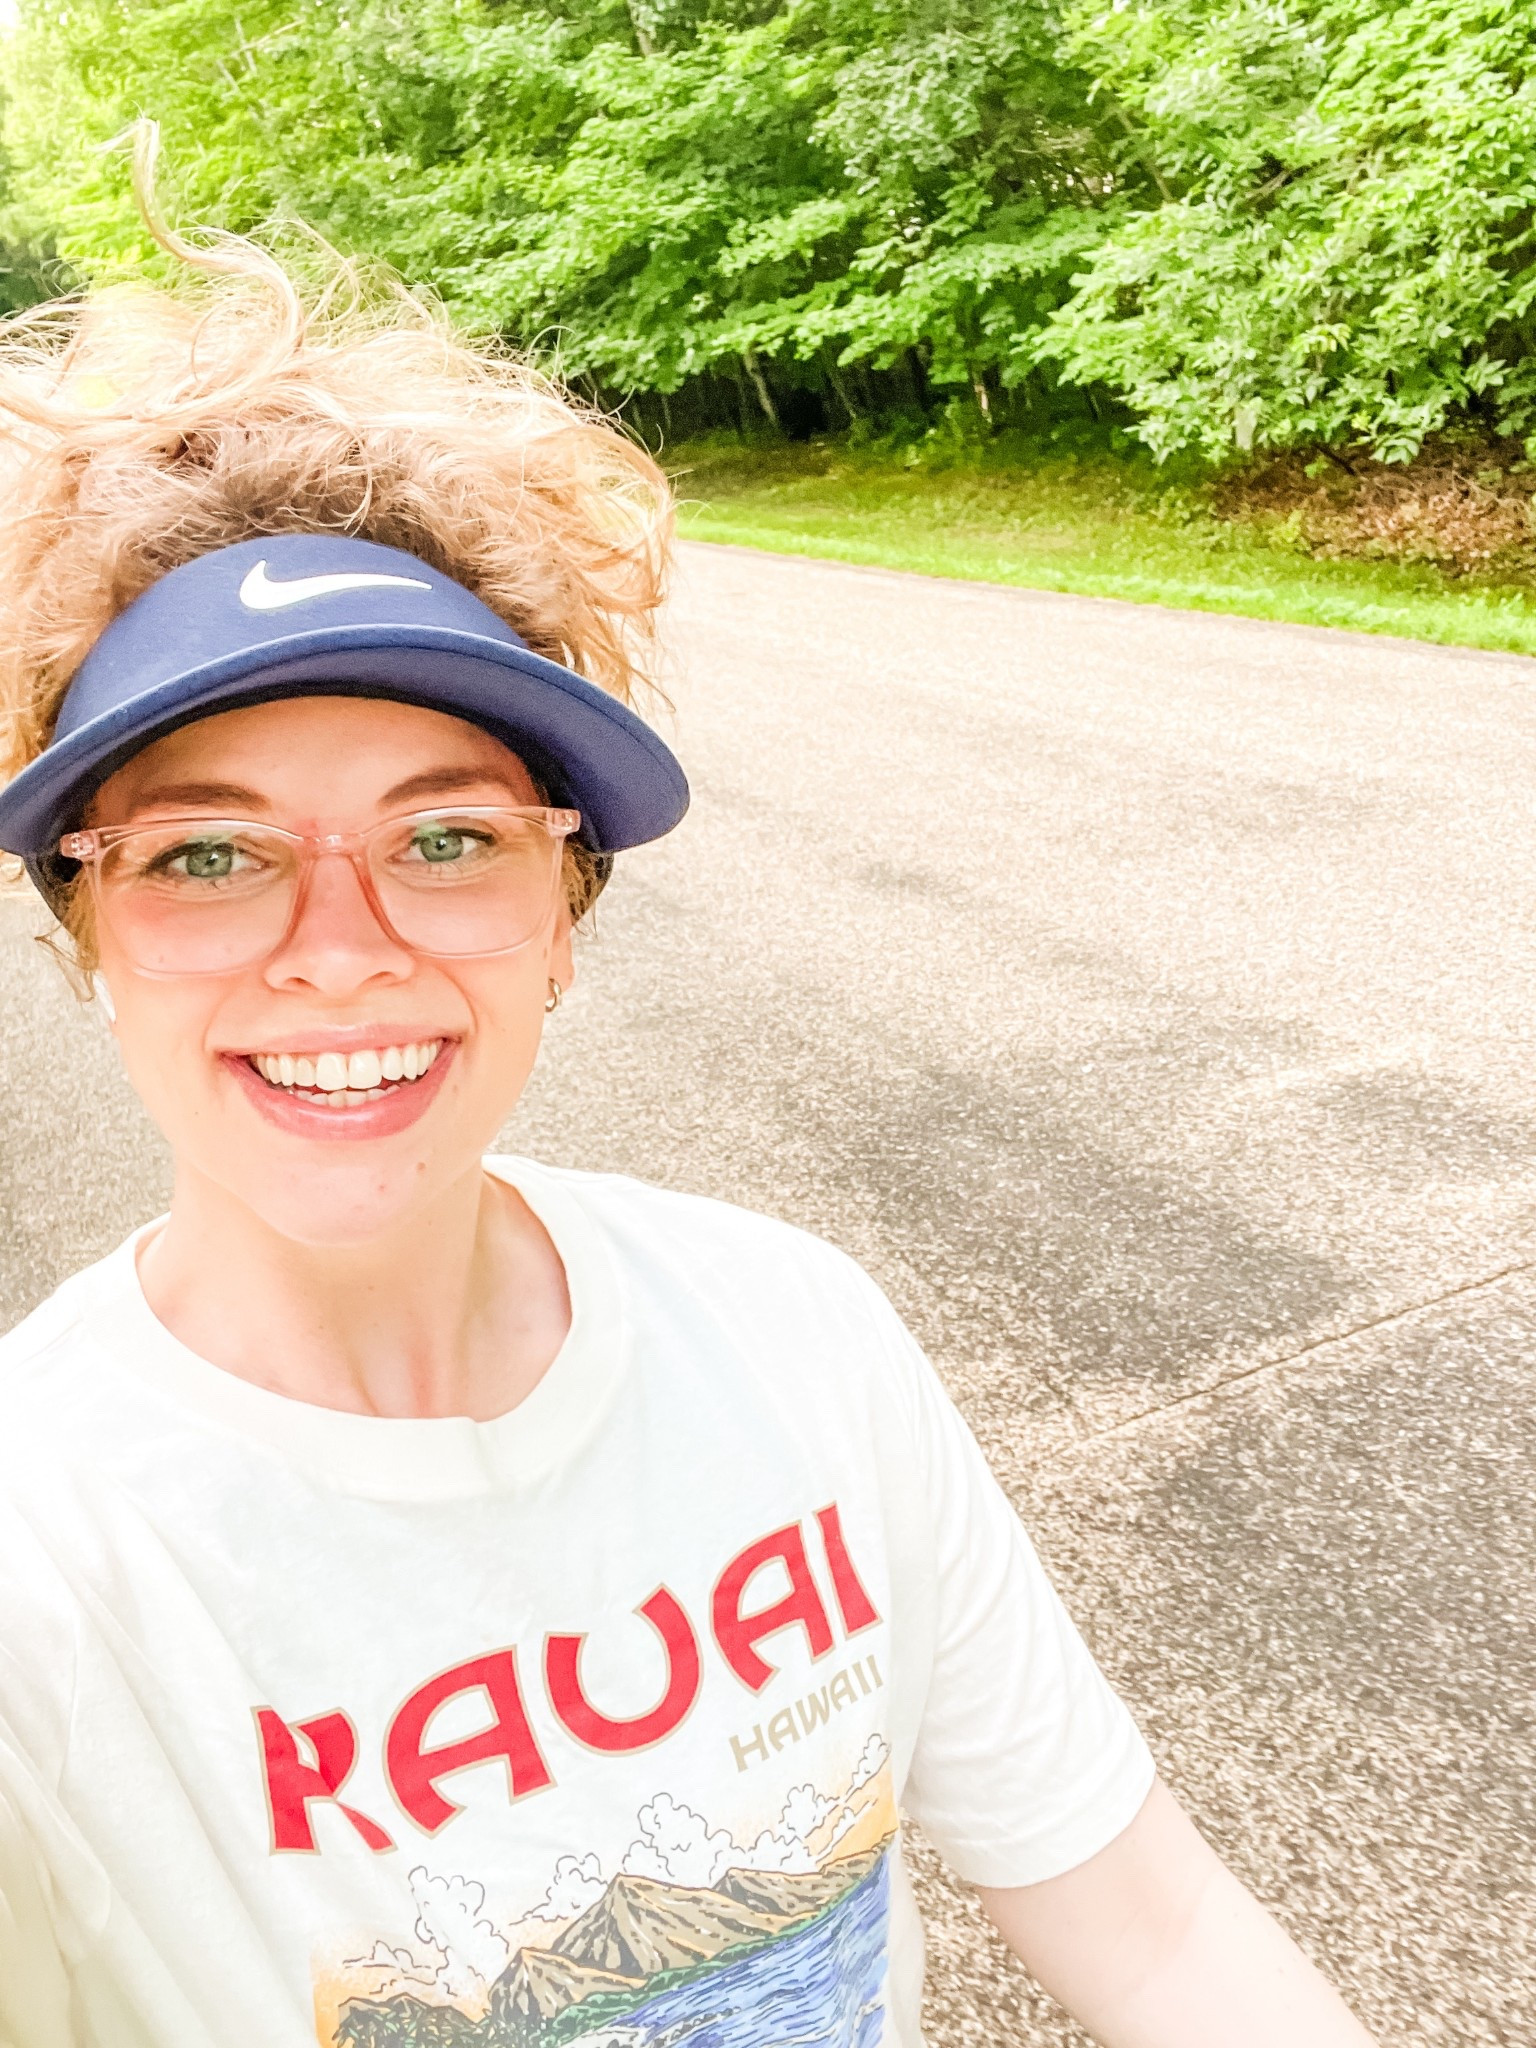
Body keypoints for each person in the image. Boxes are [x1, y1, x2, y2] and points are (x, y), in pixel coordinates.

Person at [0, 215, 1381, 2048]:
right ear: (85, 933)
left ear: (562, 913)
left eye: (445, 838)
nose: (341, 954)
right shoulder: (46, 1565)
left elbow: (1154, 1936)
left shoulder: (792, 1328)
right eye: (206, 856)